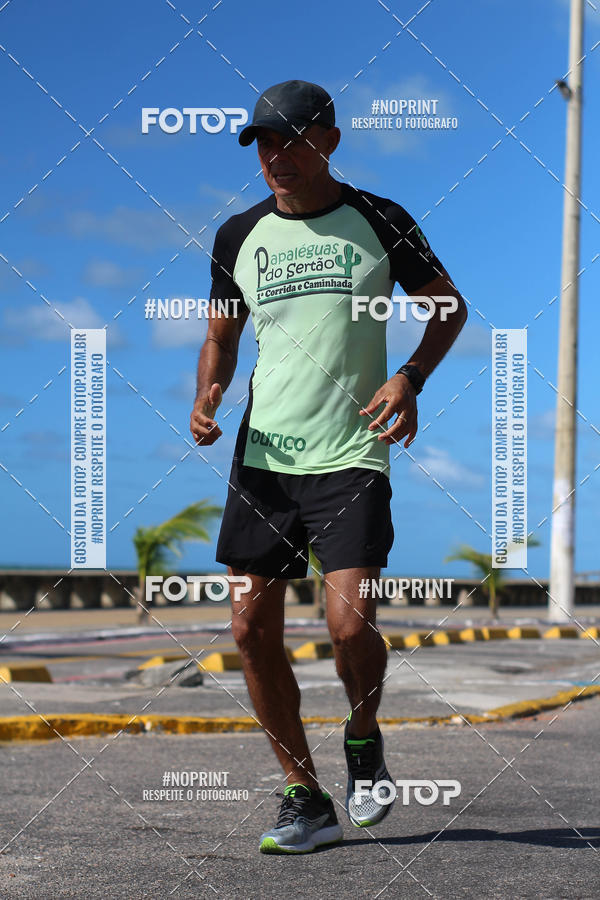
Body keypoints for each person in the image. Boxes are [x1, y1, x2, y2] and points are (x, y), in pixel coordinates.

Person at [190, 79, 467, 854]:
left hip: (351, 453)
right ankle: (304, 796)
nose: (276, 156)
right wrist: (208, 392)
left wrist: (409, 378)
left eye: (292, 140)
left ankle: (363, 736)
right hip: (264, 458)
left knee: (349, 626)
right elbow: (220, 335)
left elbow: (448, 306)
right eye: (264, 144)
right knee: (249, 628)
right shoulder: (238, 234)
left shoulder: (380, 219)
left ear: (331, 142)